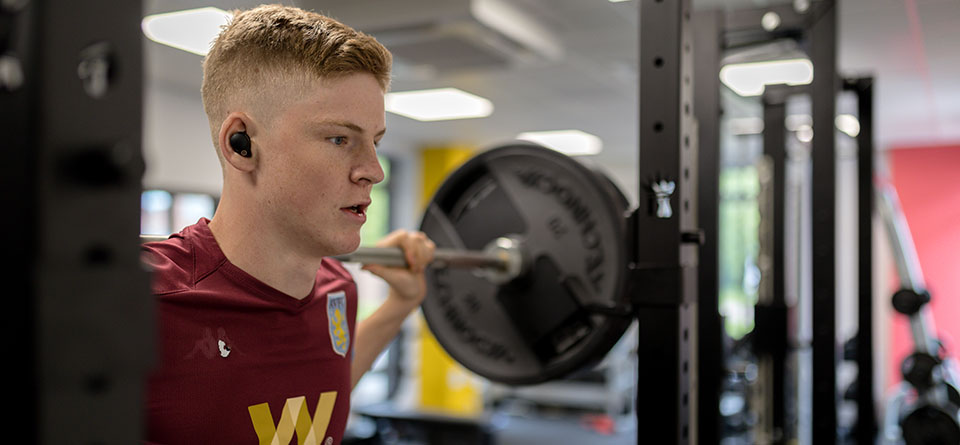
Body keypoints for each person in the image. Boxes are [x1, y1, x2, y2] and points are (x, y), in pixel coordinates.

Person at [141, 4, 435, 444]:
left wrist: (399, 304)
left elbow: (311, 399)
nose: (374, 171)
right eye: (340, 139)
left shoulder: (338, 289)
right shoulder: (144, 303)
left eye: (374, 143)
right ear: (241, 145)